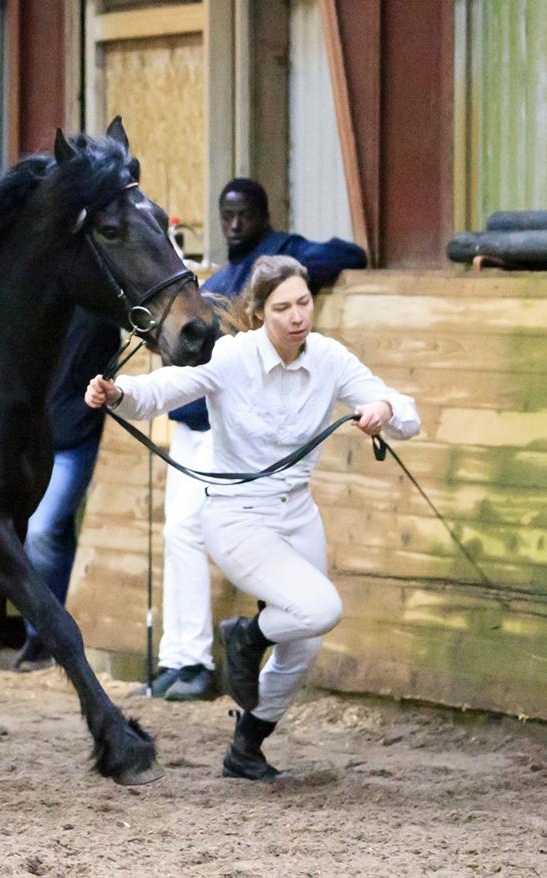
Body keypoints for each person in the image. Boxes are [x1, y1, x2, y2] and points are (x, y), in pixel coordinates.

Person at [85, 255, 419, 781]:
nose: (296, 317)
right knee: (321, 607)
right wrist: (119, 392)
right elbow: (165, 390)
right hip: (239, 517)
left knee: (305, 640)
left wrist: (385, 411)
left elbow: (404, 409)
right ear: (260, 313)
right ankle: (245, 635)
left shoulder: (330, 358)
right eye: (282, 307)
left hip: (298, 514)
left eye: (303, 303)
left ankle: (247, 747)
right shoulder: (232, 357)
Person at [149, 178, 369, 702]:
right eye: (226, 215)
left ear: (263, 214)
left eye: (244, 214)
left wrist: (283, 284)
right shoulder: (217, 279)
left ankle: (204, 662)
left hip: (229, 437)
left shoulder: (280, 254)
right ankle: (181, 656)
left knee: (194, 532)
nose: (234, 224)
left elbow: (349, 253)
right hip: (192, 424)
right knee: (178, 536)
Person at [13, 308, 122, 672]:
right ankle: (50, 631)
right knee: (43, 534)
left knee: (43, 531)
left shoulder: (95, 309)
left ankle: (45, 636)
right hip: (33, 437)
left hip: (73, 438)